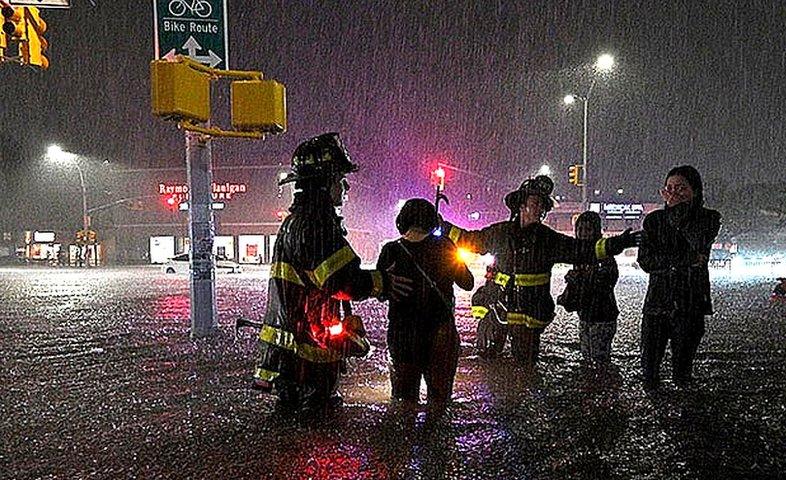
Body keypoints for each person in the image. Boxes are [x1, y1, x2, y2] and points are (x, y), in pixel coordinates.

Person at [252, 132, 410, 410]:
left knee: (293, 437)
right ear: (324, 184)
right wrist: (382, 282)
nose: (345, 186)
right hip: (306, 361)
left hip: (291, 356)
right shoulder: (317, 225)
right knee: (316, 432)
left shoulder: (298, 222)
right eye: (339, 179)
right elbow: (340, 280)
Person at [442, 175, 639, 366]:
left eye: (542, 205)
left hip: (530, 316)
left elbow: (582, 250)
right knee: (488, 360)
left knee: (525, 366)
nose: (540, 209)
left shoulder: (548, 239)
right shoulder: (500, 233)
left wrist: (618, 243)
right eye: (535, 203)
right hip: (497, 310)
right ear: (521, 206)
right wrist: (443, 227)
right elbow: (470, 239)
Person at [376, 198, 474, 406]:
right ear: (432, 222)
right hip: (440, 333)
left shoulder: (390, 251)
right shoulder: (446, 248)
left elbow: (380, 294)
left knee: (404, 403)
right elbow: (468, 283)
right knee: (439, 402)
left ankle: (404, 437)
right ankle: (435, 438)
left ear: (402, 220)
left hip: (402, 335)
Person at [637, 165, 721, 390]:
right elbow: (646, 261)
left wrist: (677, 211)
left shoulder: (709, 218)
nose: (674, 193)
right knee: (649, 372)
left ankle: (686, 420)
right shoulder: (653, 221)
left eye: (681, 188)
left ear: (695, 190)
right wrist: (684, 260)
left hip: (691, 303)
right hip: (657, 303)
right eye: (670, 188)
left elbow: (697, 242)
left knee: (683, 373)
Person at [558, 211, 619, 363]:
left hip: (602, 317)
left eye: (588, 229)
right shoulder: (579, 253)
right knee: (587, 357)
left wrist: (581, 278)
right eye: (580, 229)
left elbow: (609, 280)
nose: (583, 233)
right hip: (585, 315)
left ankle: (602, 385)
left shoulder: (603, 253)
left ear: (596, 231)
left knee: (599, 361)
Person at [471, 262, 509, 358]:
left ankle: (489, 350)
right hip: (492, 311)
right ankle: (486, 349)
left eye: (489, 272)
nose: (485, 276)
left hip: (497, 311)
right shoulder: (485, 291)